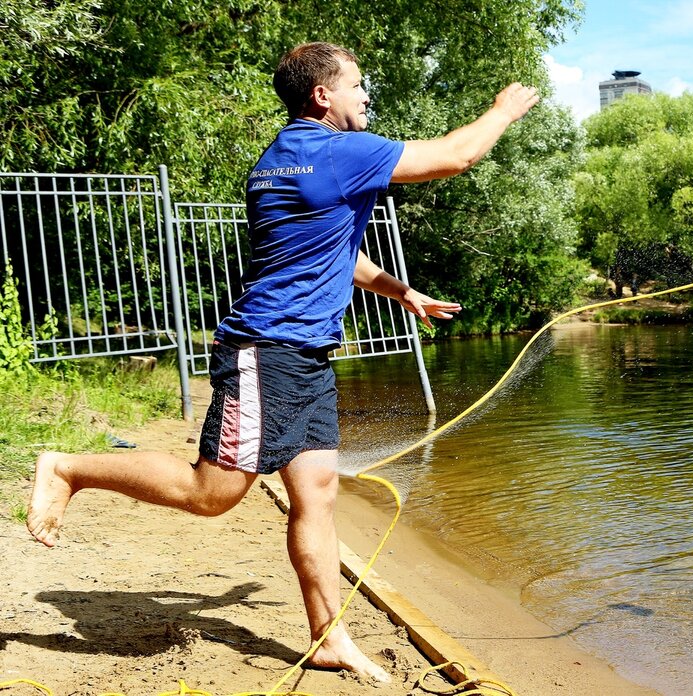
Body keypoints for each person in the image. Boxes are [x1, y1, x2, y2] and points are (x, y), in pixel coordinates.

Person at [26, 41, 540, 682]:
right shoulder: (334, 152)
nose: (366, 96)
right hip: (267, 352)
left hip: (303, 357)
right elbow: (455, 156)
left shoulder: (285, 158)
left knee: (317, 495)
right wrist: (502, 110)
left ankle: (328, 637)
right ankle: (69, 468)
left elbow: (329, 254)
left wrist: (401, 292)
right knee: (212, 493)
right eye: (357, 85)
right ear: (322, 95)